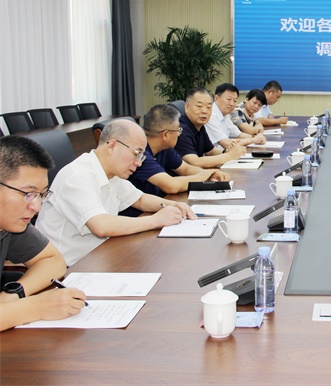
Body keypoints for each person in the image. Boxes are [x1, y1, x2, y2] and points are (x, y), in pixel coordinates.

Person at [37, 119, 196, 266]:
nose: (139, 163)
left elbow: (140, 200)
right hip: (70, 268)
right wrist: (156, 220)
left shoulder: (111, 173)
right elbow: (101, 226)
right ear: (112, 145)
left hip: (100, 255)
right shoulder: (77, 176)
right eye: (136, 153)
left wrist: (174, 205)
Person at [0, 136, 87, 331]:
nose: (36, 207)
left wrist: (14, 294)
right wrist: (38, 307)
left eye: (41, 195)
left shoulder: (10, 222)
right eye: (28, 194)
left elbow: (53, 260)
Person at [129, 104, 230, 197]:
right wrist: (203, 175)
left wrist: (210, 174)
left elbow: (185, 169)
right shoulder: (140, 154)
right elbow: (171, 186)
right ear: (165, 135)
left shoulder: (164, 148)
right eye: (178, 130)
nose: (179, 134)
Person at [175, 88, 247, 169]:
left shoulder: (200, 126)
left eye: (209, 107)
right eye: (199, 106)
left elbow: (210, 151)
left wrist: (227, 151)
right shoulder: (180, 130)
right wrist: (229, 155)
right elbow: (195, 162)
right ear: (187, 106)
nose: (204, 111)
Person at [205, 83, 266, 150]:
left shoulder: (226, 114)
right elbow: (226, 143)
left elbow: (238, 134)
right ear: (216, 98)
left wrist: (256, 138)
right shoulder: (210, 115)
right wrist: (253, 140)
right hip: (215, 155)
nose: (232, 104)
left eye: (235, 101)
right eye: (228, 99)